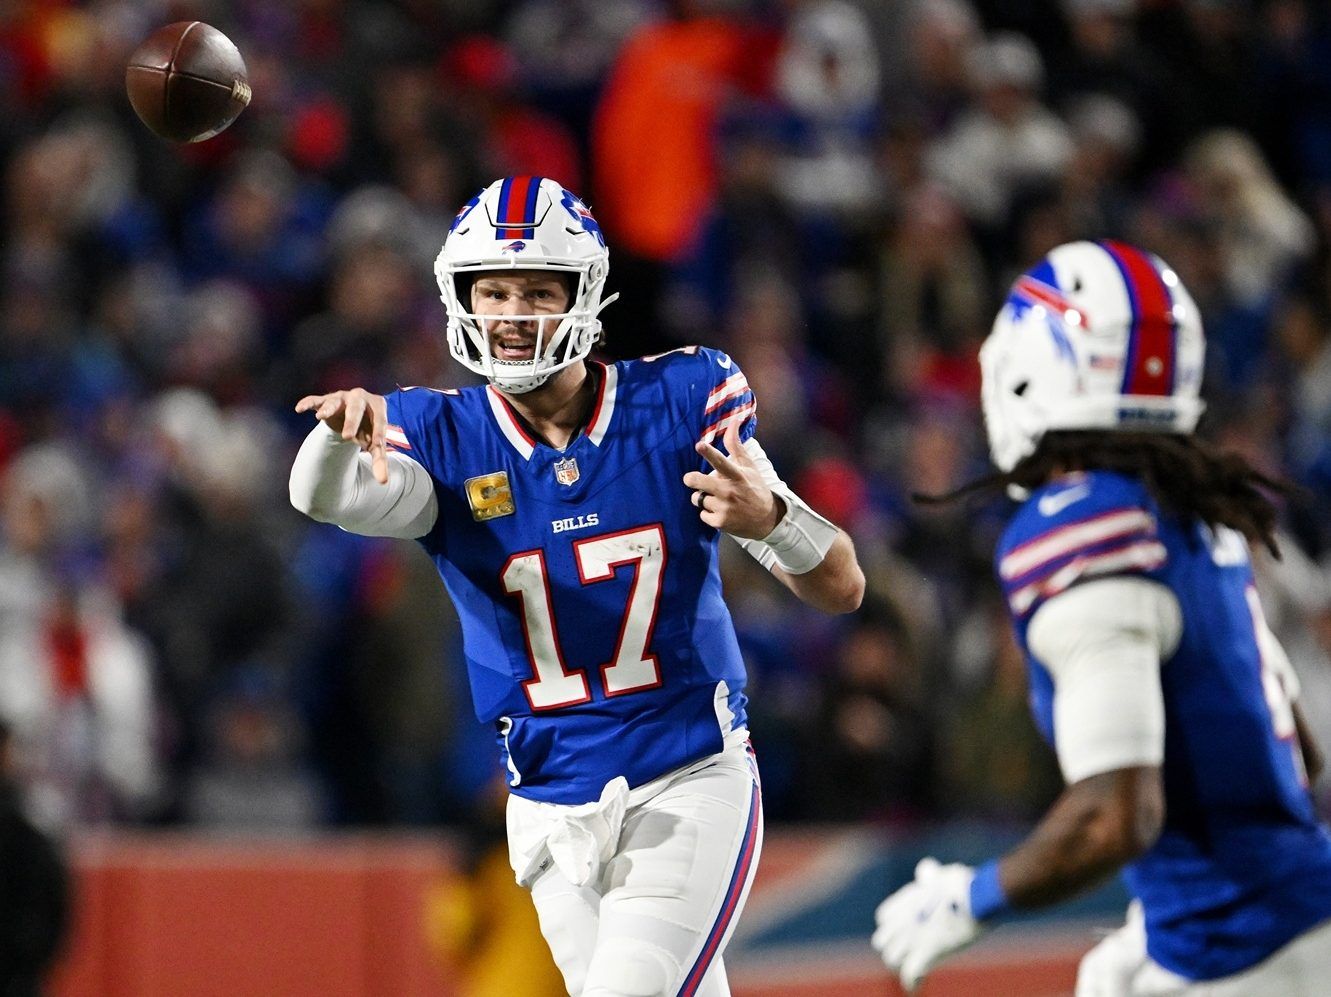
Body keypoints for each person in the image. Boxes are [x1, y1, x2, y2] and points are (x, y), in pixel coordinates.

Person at [289, 175, 865, 997]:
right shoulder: (446, 435)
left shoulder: (678, 400)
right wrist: (337, 432)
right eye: (492, 290)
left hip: (684, 774)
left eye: (535, 289)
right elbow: (322, 497)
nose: (512, 313)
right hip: (548, 802)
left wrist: (771, 516)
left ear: (584, 293)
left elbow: (840, 584)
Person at [871, 239, 1331, 995]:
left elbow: (1113, 815)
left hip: (1247, 956)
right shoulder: (1187, 514)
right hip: (1285, 925)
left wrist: (971, 896)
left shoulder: (1079, 524)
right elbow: (1295, 755)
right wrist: (1162, 917)